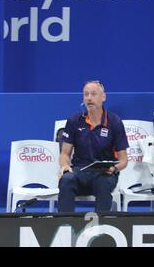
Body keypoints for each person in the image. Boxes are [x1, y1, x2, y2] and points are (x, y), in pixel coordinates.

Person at [57, 80, 129, 212]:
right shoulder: (74, 120)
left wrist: (114, 168)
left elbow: (124, 160)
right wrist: (65, 166)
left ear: (103, 97)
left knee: (103, 184)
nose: (89, 98)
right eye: (86, 94)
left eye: (93, 94)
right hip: (79, 171)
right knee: (66, 180)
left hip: (104, 173)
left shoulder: (114, 122)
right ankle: (65, 225)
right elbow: (65, 154)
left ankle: (102, 227)